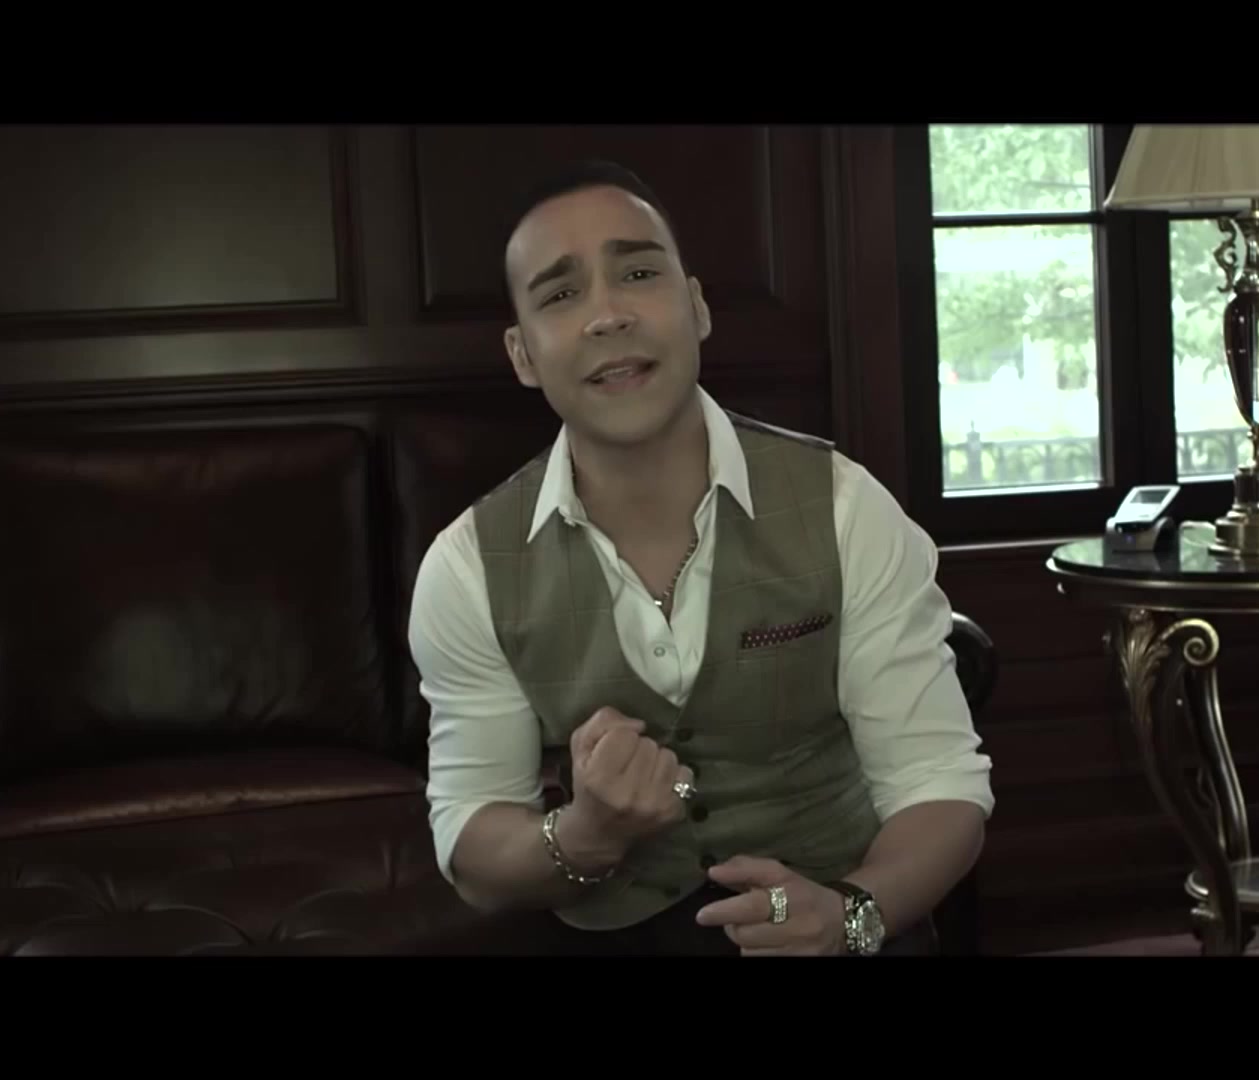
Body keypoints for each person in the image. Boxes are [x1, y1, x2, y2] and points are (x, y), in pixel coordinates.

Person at [408, 159, 993, 956]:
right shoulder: (467, 568)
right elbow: (472, 842)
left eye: (637, 273)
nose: (608, 315)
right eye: (561, 295)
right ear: (522, 354)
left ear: (697, 306)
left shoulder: (845, 507)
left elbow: (939, 784)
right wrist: (584, 834)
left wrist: (851, 916)